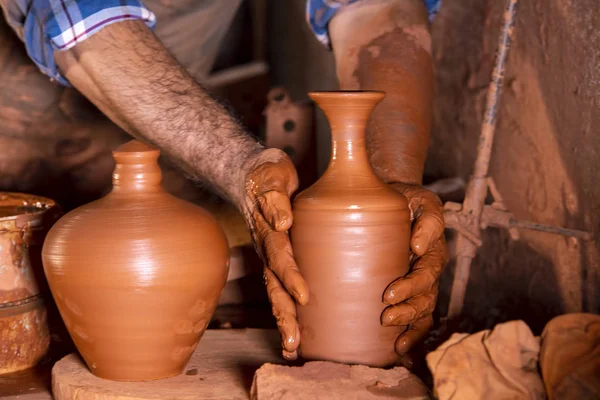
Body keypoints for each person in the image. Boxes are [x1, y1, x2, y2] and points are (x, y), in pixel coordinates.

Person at [0, 0, 447, 366]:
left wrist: (391, 188)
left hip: (167, 138)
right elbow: (76, 21)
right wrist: (239, 165)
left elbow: (376, 10)